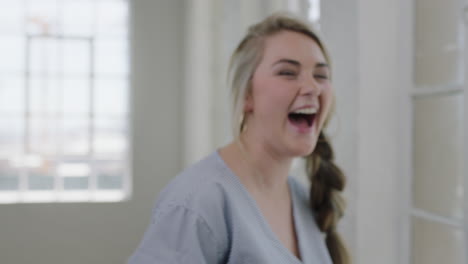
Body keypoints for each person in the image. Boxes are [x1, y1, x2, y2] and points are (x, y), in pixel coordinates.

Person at [128, 12, 350, 264]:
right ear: (247, 95)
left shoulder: (299, 196)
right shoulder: (196, 203)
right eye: (288, 72)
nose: (312, 87)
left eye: (321, 75)